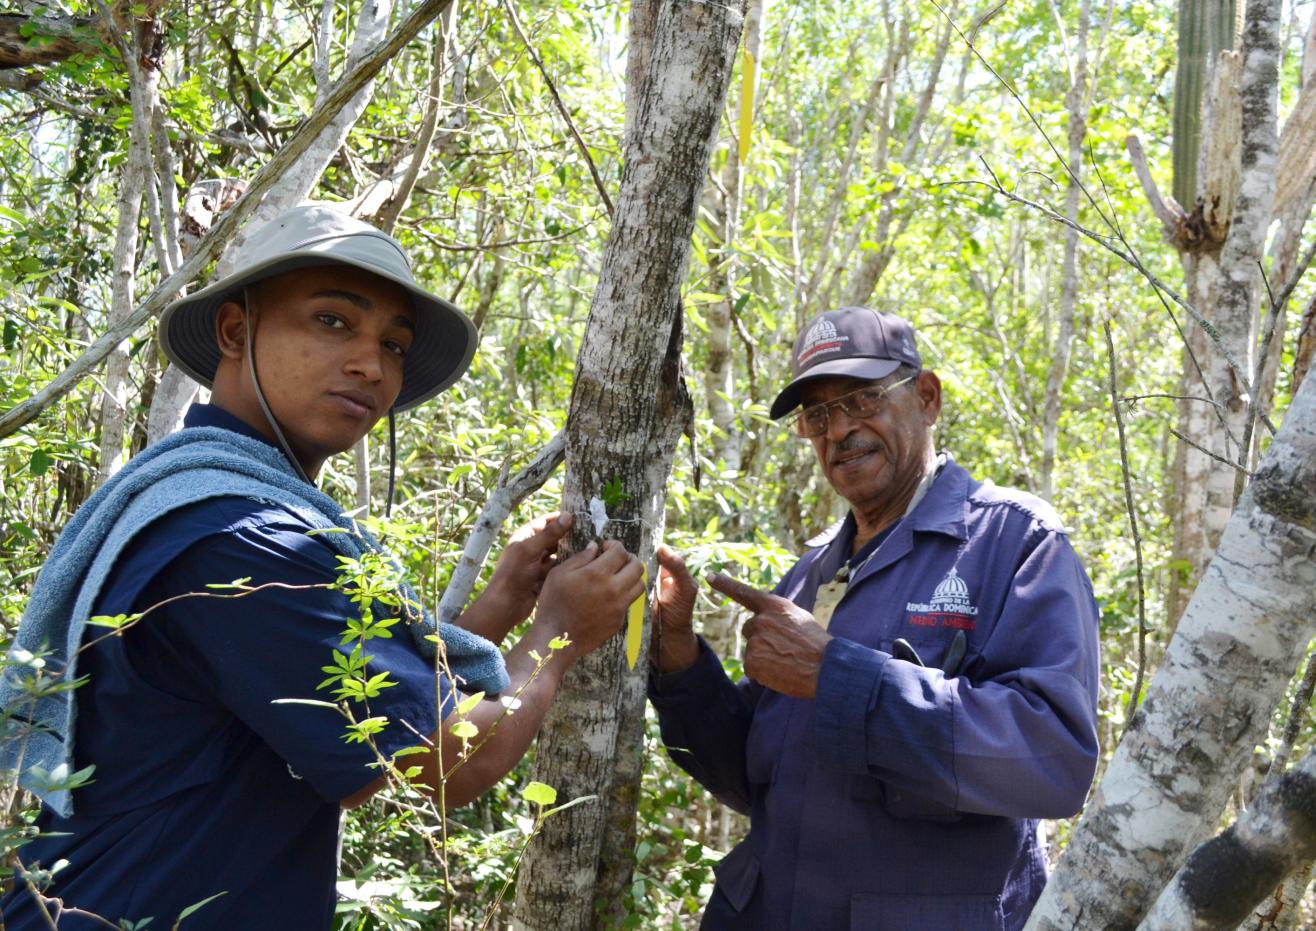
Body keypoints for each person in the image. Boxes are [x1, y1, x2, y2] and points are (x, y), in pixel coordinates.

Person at [1, 204, 643, 929]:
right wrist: (558, 633)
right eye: (333, 321)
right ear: (237, 331)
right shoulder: (244, 536)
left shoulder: (200, 501)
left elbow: (355, 714)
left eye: (394, 344)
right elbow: (448, 763)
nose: (371, 365)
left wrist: (502, 604)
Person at [649, 306, 1100, 930]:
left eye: (862, 400)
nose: (839, 431)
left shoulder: (1015, 544)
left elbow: (1053, 762)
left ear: (926, 397)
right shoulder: (812, 574)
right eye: (818, 415)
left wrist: (836, 676)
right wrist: (679, 660)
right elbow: (754, 779)